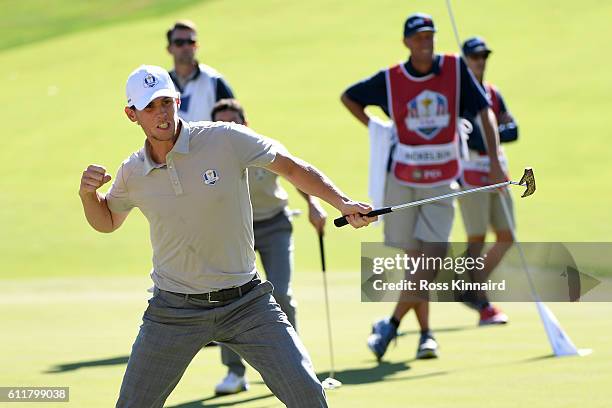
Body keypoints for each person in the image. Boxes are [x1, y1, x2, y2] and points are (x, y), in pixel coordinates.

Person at [78, 65, 375, 407]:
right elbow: (107, 221)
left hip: (246, 302)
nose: (160, 113)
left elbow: (292, 167)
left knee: (307, 394)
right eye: (149, 107)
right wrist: (89, 196)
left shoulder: (225, 139)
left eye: (165, 102)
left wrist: (341, 202)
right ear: (132, 115)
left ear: (177, 100)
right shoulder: (133, 172)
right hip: (174, 310)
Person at [340, 13, 505, 361]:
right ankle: (427, 336)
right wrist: (378, 128)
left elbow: (485, 111)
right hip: (400, 179)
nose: (425, 42)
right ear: (406, 42)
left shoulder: (455, 69)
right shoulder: (391, 78)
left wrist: (493, 160)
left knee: (433, 256)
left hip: (441, 181)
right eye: (418, 37)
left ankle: (391, 324)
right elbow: (349, 97)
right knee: (417, 262)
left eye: (430, 36)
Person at [209, 98, 327, 395]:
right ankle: (235, 373)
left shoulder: (262, 145)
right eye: (222, 123)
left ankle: (295, 366)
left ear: (245, 124)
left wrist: (313, 205)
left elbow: (294, 171)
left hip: (274, 224)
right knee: (228, 298)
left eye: (234, 121)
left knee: (281, 292)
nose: (229, 127)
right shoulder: (206, 155)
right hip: (234, 232)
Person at [457, 36, 519, 325]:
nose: (480, 62)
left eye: (483, 57)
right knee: (477, 237)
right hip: (471, 173)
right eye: (474, 57)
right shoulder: (459, 97)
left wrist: (493, 135)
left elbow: (511, 129)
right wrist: (491, 136)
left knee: (506, 236)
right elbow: (472, 136)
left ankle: (469, 283)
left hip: (499, 172)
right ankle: (481, 298)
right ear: (465, 61)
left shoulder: (494, 93)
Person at [166, 20, 234, 121]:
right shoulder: (162, 83)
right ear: (169, 48)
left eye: (191, 42)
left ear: (197, 46)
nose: (186, 47)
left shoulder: (214, 81)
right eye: (179, 43)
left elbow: (235, 122)